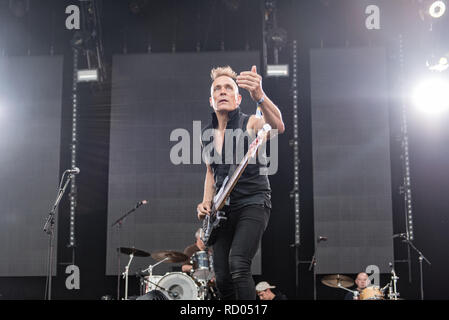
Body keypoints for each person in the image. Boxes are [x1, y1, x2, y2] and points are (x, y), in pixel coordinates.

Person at [196, 65, 285, 300]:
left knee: (238, 264)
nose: (222, 91)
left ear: (238, 98)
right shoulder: (206, 134)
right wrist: (206, 202)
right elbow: (210, 171)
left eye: (228, 88)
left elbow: (277, 126)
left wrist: (260, 97)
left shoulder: (250, 122)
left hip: (252, 203)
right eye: (217, 88)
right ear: (211, 99)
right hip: (223, 210)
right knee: (223, 276)